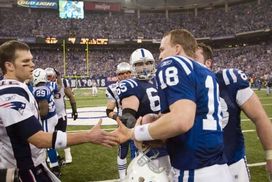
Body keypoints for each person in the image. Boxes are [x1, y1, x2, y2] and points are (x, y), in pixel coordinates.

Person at [113, 29, 232, 182]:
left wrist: (135, 133)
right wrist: (159, 119)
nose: (160, 56)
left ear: (177, 49)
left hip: (193, 169)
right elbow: (192, 116)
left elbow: (181, 121)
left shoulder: (173, 63)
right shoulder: (205, 71)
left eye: (162, 49)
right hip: (219, 167)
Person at [0, 40, 118, 182]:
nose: (32, 65)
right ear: (9, 66)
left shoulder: (18, 88)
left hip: (32, 164)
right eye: (26, 61)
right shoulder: (10, 94)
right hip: (24, 170)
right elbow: (39, 139)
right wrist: (88, 136)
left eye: (31, 60)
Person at [195, 43, 272, 182]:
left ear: (208, 63)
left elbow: (260, 117)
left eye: (194, 57)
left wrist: (270, 155)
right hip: (197, 167)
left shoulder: (229, 80)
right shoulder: (181, 89)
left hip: (232, 162)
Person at [117, 48, 171, 178]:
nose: (145, 67)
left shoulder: (161, 79)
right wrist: (143, 133)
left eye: (148, 63)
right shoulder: (130, 85)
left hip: (170, 138)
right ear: (133, 67)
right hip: (151, 145)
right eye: (139, 64)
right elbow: (127, 117)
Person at [106, 62, 137, 181]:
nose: (125, 75)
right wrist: (119, 119)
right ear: (117, 75)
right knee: (123, 152)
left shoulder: (138, 85)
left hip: (137, 124)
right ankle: (123, 178)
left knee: (137, 153)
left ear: (132, 72)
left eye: (128, 72)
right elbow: (109, 110)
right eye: (121, 73)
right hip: (123, 125)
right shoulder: (113, 89)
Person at [32, 68, 61, 177]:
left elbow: (43, 112)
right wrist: (59, 77)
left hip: (47, 119)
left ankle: (55, 168)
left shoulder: (39, 90)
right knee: (51, 140)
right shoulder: (51, 85)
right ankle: (57, 157)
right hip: (54, 116)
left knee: (47, 144)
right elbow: (59, 87)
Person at [46, 68, 78, 164]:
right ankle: (53, 155)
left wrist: (74, 110)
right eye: (47, 76)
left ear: (55, 76)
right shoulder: (43, 84)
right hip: (49, 116)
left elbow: (71, 96)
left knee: (63, 135)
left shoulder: (62, 82)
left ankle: (68, 156)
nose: (49, 78)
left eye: (51, 76)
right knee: (50, 137)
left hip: (60, 115)